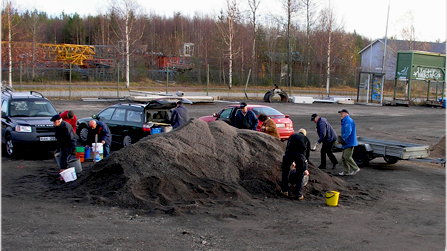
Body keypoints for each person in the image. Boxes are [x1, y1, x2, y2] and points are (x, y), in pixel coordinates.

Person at [280, 128, 310, 200]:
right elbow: (307, 154)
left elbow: (287, 148)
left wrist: (292, 162)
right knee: (300, 175)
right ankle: (298, 195)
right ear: (304, 134)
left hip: (289, 154)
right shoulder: (306, 139)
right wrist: (305, 168)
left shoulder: (292, 136)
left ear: (298, 132)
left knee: (285, 172)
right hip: (300, 156)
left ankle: (284, 191)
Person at [51, 114, 77, 180]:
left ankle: (71, 176)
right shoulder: (56, 127)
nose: (53, 123)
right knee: (62, 160)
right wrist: (57, 149)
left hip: (69, 145)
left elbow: (71, 138)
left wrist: (73, 149)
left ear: (59, 121)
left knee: (69, 160)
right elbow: (58, 139)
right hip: (63, 145)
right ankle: (63, 175)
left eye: (54, 122)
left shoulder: (66, 126)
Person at [338, 109, 360, 176]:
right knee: (344, 157)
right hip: (346, 142)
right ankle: (346, 171)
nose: (340, 115)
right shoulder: (345, 120)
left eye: (341, 113)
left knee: (347, 156)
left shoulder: (348, 121)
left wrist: (343, 139)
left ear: (345, 113)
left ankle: (355, 168)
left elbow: (348, 132)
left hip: (349, 142)